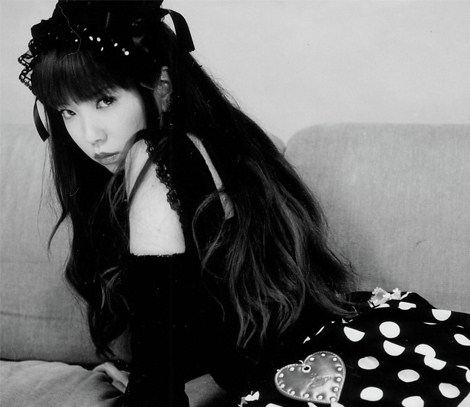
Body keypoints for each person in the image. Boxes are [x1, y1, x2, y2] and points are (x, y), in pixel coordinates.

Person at [18, 1, 470, 406]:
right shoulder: (212, 145)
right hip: (363, 340)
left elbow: (162, 386)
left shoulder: (152, 157)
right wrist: (147, 373)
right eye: (68, 111)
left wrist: (149, 382)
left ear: (161, 85)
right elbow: (208, 320)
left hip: (323, 368)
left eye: (105, 100)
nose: (89, 136)